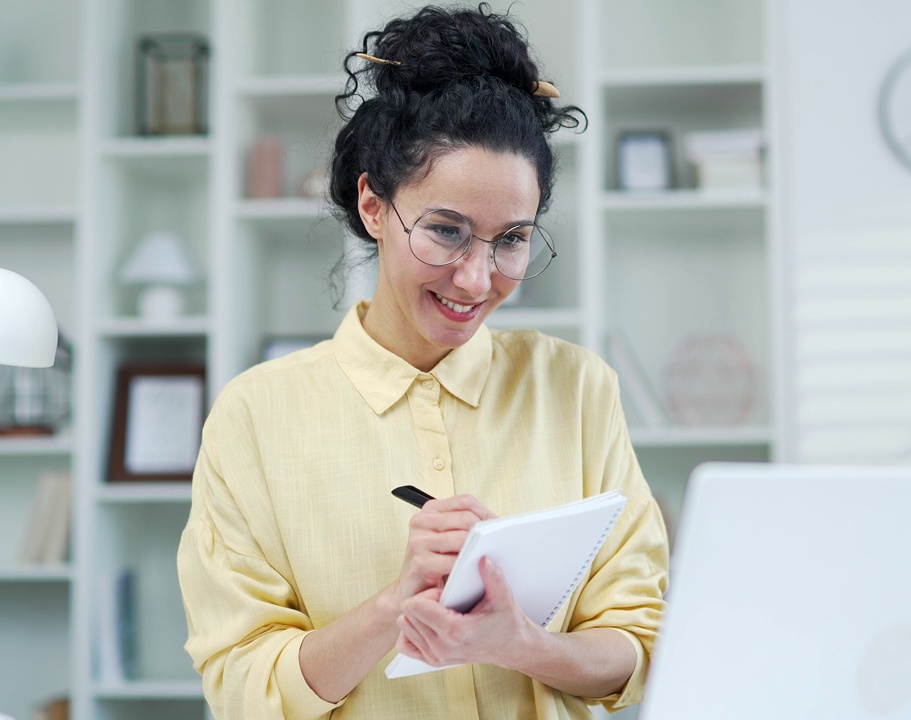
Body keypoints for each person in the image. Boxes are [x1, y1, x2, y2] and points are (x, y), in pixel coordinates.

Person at [176, 5, 669, 718]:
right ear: (374, 206)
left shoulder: (576, 388)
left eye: (511, 240)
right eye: (446, 230)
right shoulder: (257, 416)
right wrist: (392, 607)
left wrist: (518, 643)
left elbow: (639, 646)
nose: (477, 278)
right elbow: (241, 686)